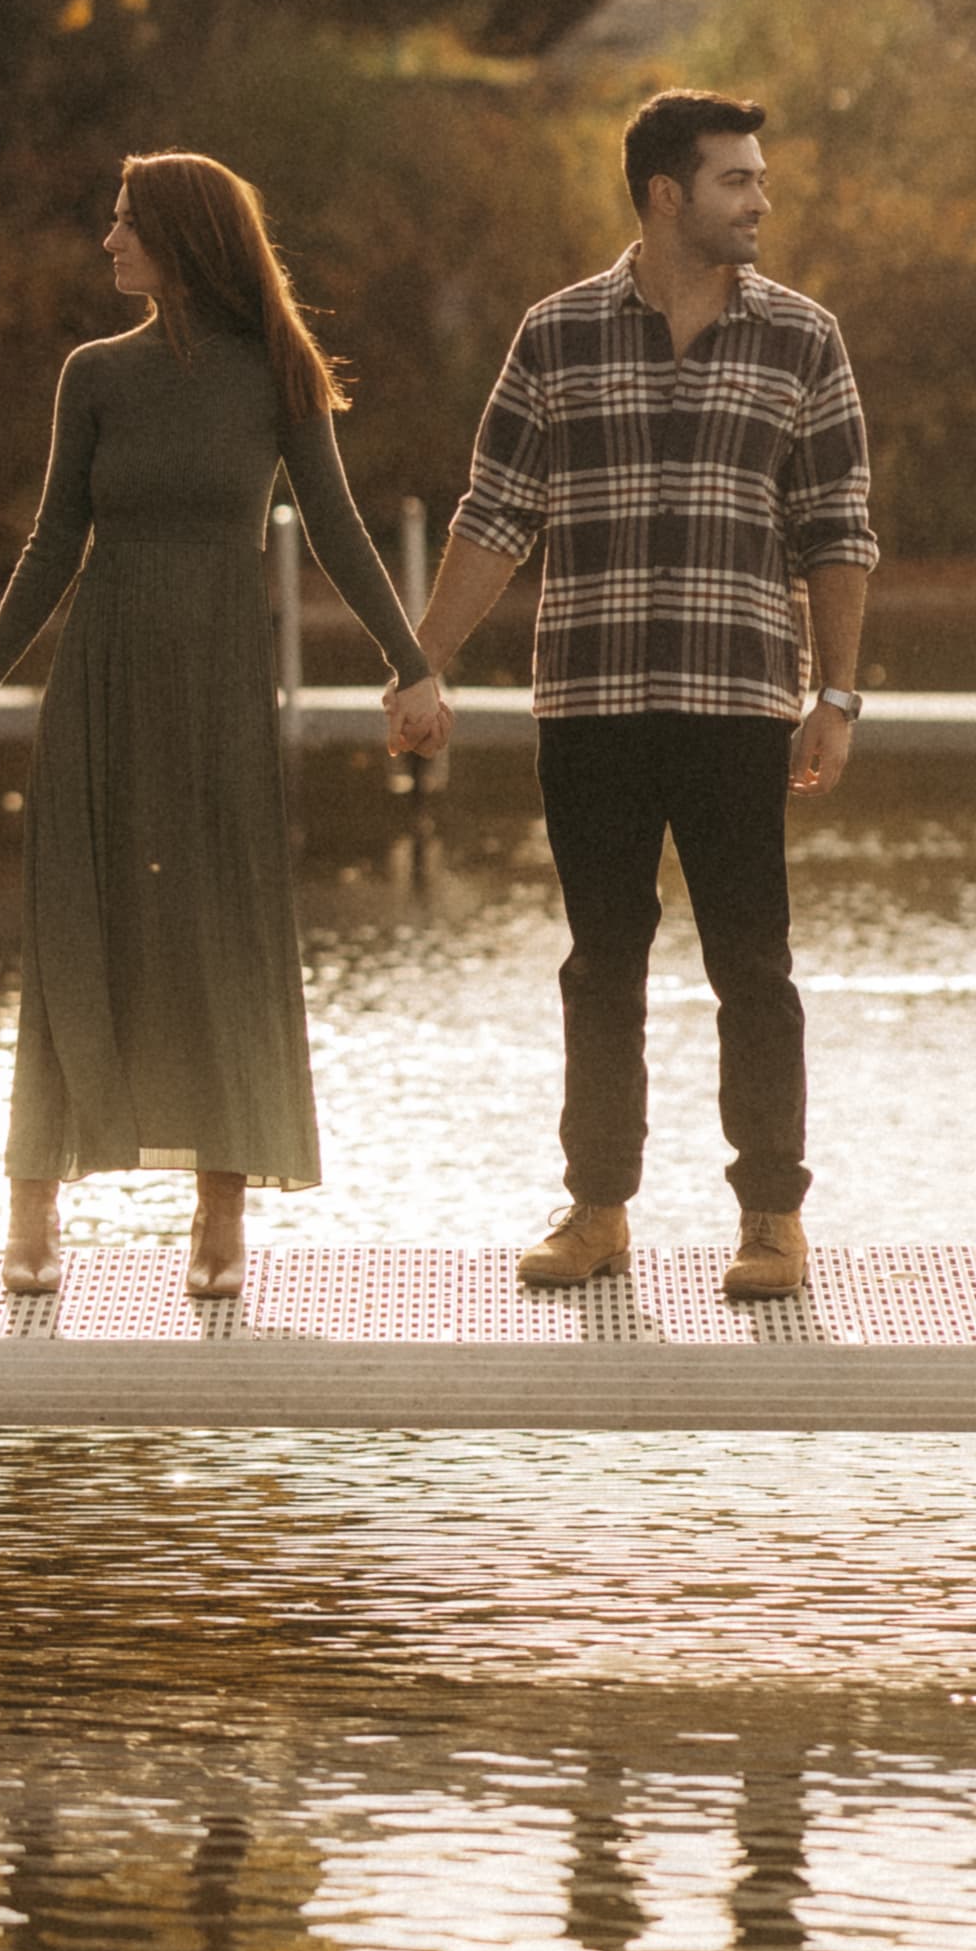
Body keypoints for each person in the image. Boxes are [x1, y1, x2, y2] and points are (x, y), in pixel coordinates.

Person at [0, 149, 450, 1298]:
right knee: (80, 912)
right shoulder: (94, 374)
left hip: (222, 682)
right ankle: (34, 1196)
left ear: (181, 238)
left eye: (126, 223)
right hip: (104, 670)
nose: (108, 241)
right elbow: (51, 538)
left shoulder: (274, 374)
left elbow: (334, 526)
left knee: (220, 923)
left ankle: (221, 1208)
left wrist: (410, 663)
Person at [402, 87, 873, 1304]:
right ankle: (598, 1210)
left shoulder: (802, 339)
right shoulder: (556, 335)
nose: (760, 200)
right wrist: (424, 661)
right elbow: (496, 515)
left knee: (752, 966)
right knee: (601, 961)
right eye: (737, 181)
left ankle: (771, 1218)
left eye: (761, 180)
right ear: (668, 196)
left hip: (736, 703)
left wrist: (840, 697)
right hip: (594, 702)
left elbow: (837, 530)